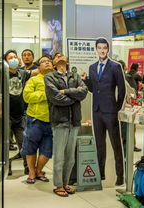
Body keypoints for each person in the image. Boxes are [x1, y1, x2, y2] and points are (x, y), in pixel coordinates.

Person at [81, 38, 125, 186]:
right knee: (100, 145)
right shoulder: (92, 67)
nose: (102, 50)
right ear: (96, 49)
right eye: (99, 48)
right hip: (97, 111)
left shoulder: (115, 66)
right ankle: (100, 174)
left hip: (110, 111)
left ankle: (120, 176)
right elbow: (93, 89)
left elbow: (122, 89)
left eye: (104, 48)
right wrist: (86, 81)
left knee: (116, 144)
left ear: (108, 49)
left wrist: (117, 107)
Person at [45, 53, 87, 197]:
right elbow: (55, 97)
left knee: (70, 157)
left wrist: (67, 91)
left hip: (74, 121)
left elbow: (84, 92)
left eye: (63, 55)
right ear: (54, 62)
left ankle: (65, 183)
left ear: (67, 61)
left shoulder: (74, 76)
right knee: (59, 156)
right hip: (60, 121)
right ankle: (58, 185)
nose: (60, 57)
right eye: (57, 56)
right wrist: (74, 98)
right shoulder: (49, 77)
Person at [21, 55, 54, 184]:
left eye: (48, 62)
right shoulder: (34, 80)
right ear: (39, 67)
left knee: (47, 150)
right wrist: (45, 94)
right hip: (34, 119)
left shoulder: (57, 79)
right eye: (43, 62)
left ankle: (39, 170)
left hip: (53, 120)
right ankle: (32, 172)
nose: (46, 63)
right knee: (30, 147)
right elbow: (27, 96)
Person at [5, 49, 38, 174]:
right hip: (6, 114)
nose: (13, 59)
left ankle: (27, 168)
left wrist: (49, 64)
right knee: (5, 144)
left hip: (19, 115)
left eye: (15, 56)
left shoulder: (22, 73)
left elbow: (35, 71)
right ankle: (5, 168)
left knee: (24, 142)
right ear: (5, 61)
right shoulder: (2, 73)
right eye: (10, 57)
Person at [118, 60, 141, 152]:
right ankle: (124, 160)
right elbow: (133, 93)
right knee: (125, 137)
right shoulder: (124, 79)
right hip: (123, 112)